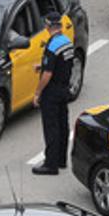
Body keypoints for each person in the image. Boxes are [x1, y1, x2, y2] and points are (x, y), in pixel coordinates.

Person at [30, 13, 73, 176]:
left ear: (48, 26)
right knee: (63, 125)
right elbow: (61, 65)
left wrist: (37, 93)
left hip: (52, 92)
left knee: (51, 128)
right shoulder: (67, 42)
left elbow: (48, 74)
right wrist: (42, 66)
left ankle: (50, 164)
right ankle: (61, 159)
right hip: (64, 88)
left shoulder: (52, 46)